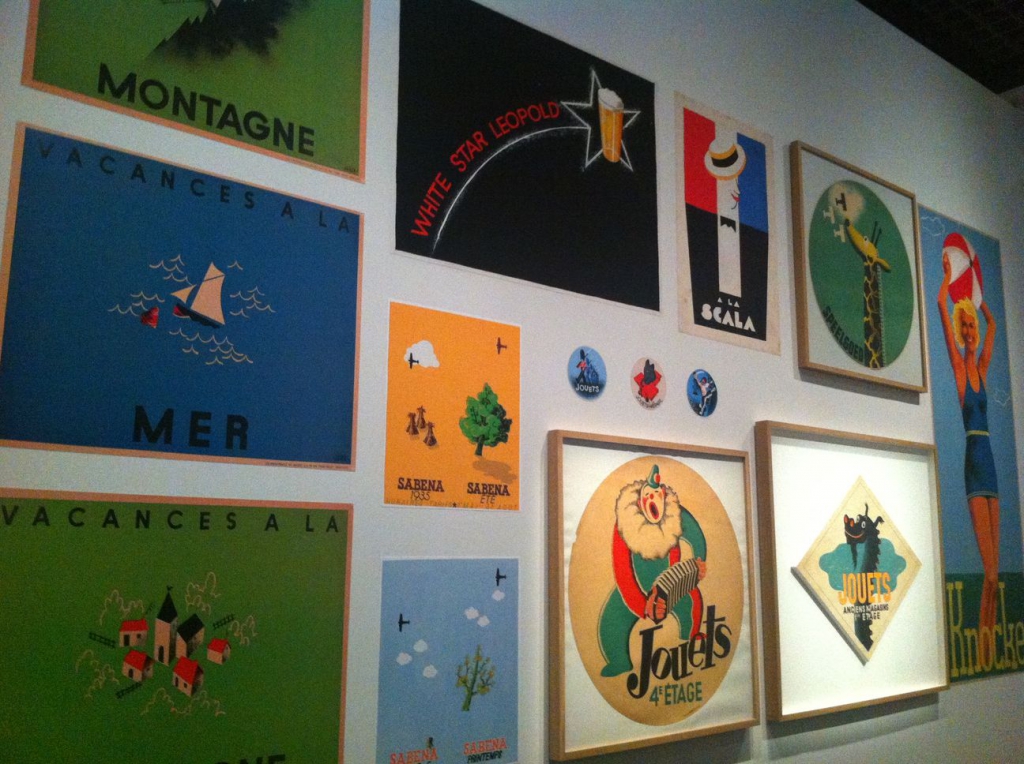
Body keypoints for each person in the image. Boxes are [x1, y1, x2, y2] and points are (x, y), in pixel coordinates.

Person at [938, 251, 999, 664]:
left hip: (990, 461)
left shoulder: (983, 368)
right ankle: (981, 649)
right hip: (974, 466)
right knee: (990, 573)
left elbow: (993, 325)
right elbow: (941, 307)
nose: (969, 330)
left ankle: (989, 648)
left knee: (995, 580)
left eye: (970, 324)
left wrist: (979, 298)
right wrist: (948, 280)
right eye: (964, 326)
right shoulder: (961, 372)